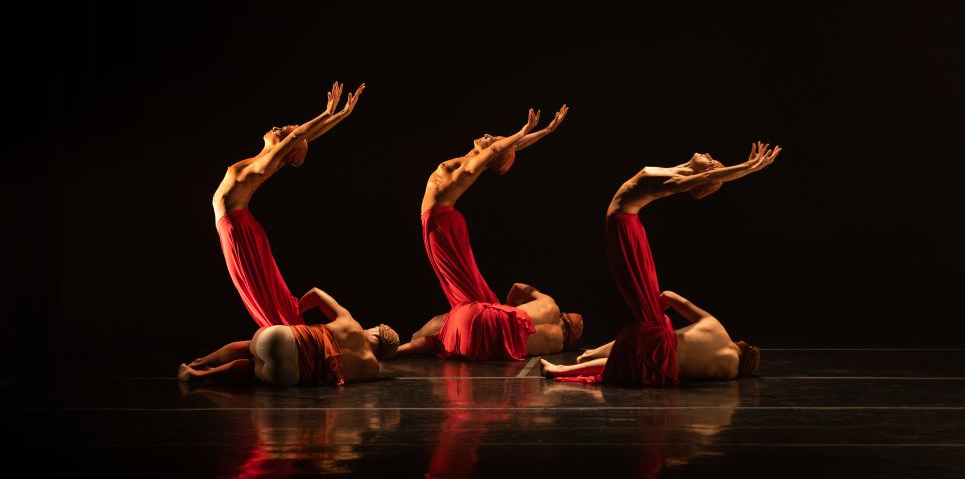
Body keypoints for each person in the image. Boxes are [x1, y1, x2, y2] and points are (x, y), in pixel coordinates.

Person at [540, 142, 781, 384]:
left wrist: (748, 166)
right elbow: (709, 176)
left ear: (701, 175)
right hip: (629, 223)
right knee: (648, 327)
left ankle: (570, 366)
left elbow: (709, 176)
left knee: (641, 294)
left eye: (709, 161)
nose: (706, 154)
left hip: (623, 225)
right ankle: (586, 359)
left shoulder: (675, 182)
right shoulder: (681, 171)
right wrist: (744, 170)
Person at [394, 106, 584, 361]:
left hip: (441, 225)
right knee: (470, 282)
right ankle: (477, 312)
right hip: (441, 221)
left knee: (469, 288)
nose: (489, 136)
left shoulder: (467, 170)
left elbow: (497, 149)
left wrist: (525, 129)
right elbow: (503, 148)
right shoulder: (474, 156)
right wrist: (546, 130)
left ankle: (481, 312)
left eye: (493, 140)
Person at [212, 81, 364, 327]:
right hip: (237, 227)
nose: (275, 127)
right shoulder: (265, 159)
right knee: (263, 289)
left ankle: (288, 334)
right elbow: (305, 135)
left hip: (237, 231)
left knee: (263, 291)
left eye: (280, 129)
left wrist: (327, 113)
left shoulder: (265, 165)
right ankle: (286, 330)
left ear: (285, 145)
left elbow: (298, 135)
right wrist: (342, 114)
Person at [178, 286, 399, 385]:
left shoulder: (351, 324)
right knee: (253, 372)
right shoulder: (372, 369)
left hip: (281, 339)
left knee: (248, 347)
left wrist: (296, 311)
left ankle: (199, 363)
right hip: (288, 376)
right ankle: (199, 377)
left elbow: (315, 293)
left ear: (376, 331)